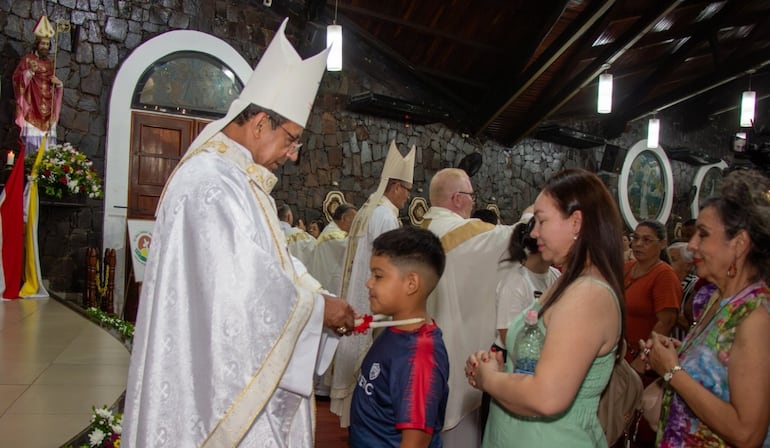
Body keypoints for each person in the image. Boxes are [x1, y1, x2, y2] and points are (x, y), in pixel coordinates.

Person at [122, 19, 356, 447]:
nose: (291, 154)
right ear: (261, 122)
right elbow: (241, 292)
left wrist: (317, 298)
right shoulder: (212, 185)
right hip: (217, 386)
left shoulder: (240, 178)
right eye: (291, 139)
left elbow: (271, 265)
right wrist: (319, 310)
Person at [465, 168, 625, 447]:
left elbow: (547, 397)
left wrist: (489, 380)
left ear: (576, 222)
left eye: (541, 220)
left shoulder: (588, 295)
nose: (534, 232)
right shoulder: (567, 282)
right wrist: (504, 370)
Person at [643, 169, 770, 447]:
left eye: (703, 235)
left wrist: (672, 371)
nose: (692, 245)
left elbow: (748, 433)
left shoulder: (755, 317)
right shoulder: (718, 300)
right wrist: (679, 353)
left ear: (739, 243)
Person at [421, 168, 514, 448]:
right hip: (454, 347)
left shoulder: (420, 229)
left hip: (423, 350)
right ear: (458, 198)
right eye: (472, 195)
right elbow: (510, 239)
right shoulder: (464, 233)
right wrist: (538, 216)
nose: (474, 202)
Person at [331, 140, 416, 427]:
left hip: (360, 295)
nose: (407, 197)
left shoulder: (369, 209)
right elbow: (391, 263)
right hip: (373, 303)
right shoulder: (384, 215)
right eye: (406, 190)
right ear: (395, 187)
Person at [349, 227, 450, 448]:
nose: (369, 283)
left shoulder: (421, 356)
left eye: (378, 275)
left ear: (411, 283)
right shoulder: (395, 328)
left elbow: (414, 444)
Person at [624, 220, 681, 374]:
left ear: (662, 244)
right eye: (635, 238)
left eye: (646, 240)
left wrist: (644, 357)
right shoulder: (626, 268)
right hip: (620, 356)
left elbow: (666, 322)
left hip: (641, 362)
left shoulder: (664, 275)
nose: (638, 244)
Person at [12, 15, 63, 149]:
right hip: (32, 105)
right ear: (37, 44)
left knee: (46, 148)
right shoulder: (28, 60)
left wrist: (59, 85)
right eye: (42, 43)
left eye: (47, 44)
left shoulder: (50, 64)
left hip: (47, 108)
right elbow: (17, 79)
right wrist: (29, 72)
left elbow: (52, 85)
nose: (45, 46)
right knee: (32, 147)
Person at [309, 203, 357, 295]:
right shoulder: (333, 235)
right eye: (354, 221)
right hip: (329, 287)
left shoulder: (330, 231)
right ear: (343, 218)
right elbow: (352, 245)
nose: (355, 226)